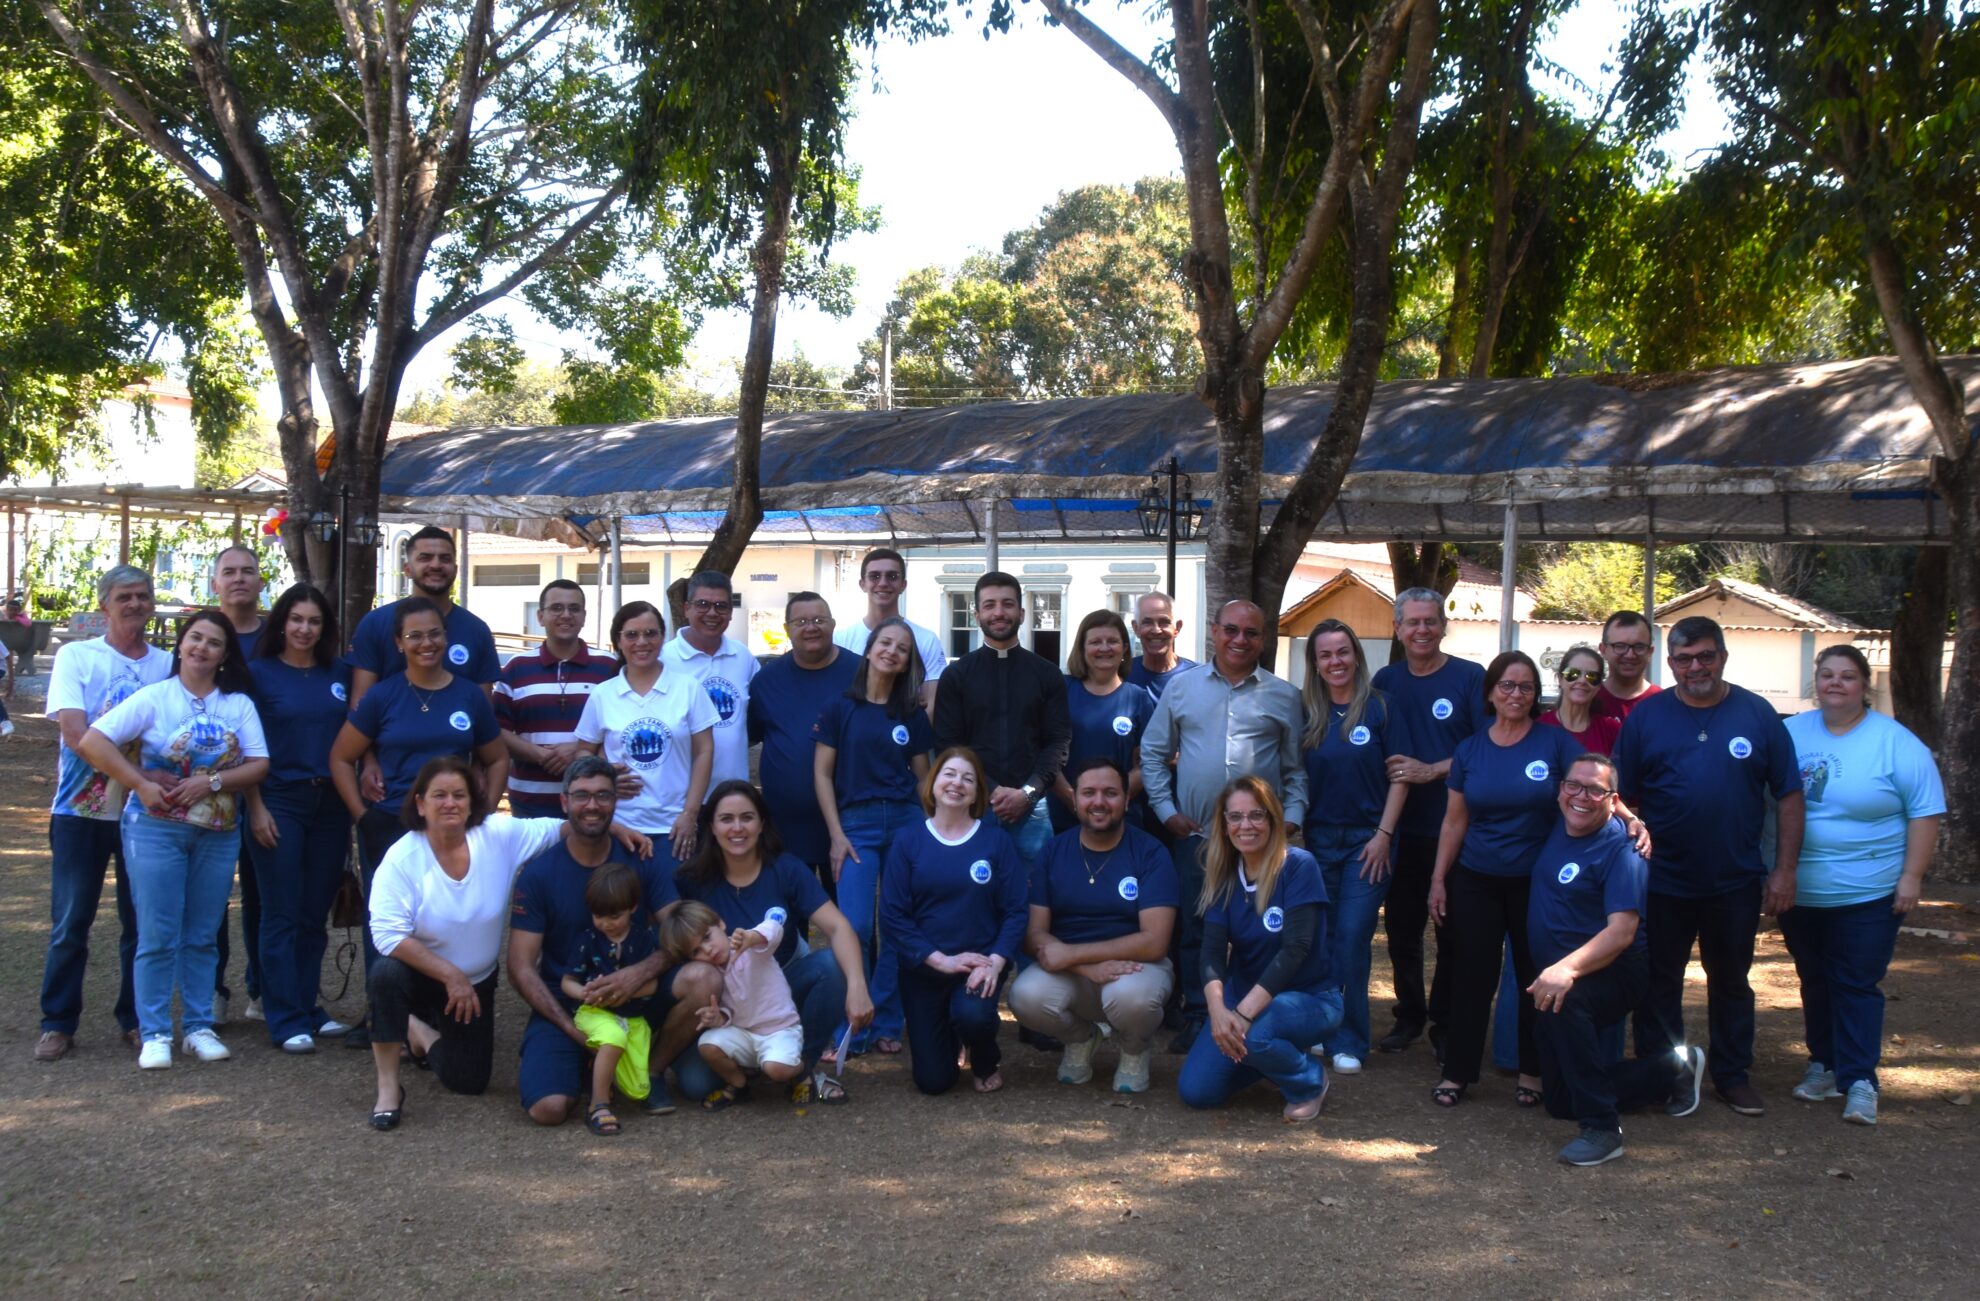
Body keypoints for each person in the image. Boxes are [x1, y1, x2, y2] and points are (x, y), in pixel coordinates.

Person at [364, 756, 645, 1129]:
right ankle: (388, 1089)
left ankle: (418, 1030)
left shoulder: (497, 835)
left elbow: (561, 828)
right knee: (384, 975)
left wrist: (617, 828)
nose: (450, 803)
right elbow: (386, 934)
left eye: (459, 795)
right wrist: (449, 975)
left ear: (472, 802)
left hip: (475, 983)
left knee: (468, 1082)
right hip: (421, 975)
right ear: (420, 803)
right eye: (439, 795)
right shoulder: (401, 858)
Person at [1616, 615, 1803, 1117]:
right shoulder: (1647, 718)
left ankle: (1732, 1074)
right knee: (1659, 982)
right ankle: (1664, 1074)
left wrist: (1783, 871)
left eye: (1705, 656)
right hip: (1663, 879)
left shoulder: (1758, 714)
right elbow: (1620, 796)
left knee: (1732, 979)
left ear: (1722, 656)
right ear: (1670, 662)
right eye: (1684, 658)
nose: (1695, 666)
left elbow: (1788, 794)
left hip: (1735, 880)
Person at [76, 611, 269, 1069]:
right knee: (158, 934)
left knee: (202, 934)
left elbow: (259, 764)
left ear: (225, 655)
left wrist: (213, 783)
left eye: (214, 643)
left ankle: (198, 1027)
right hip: (155, 830)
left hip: (218, 835)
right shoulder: (153, 698)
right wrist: (139, 783)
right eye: (194, 639)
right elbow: (92, 742)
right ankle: (157, 1032)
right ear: (180, 646)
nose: (202, 648)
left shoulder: (237, 705)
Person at [1776, 645, 1944, 1126]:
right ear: (1816, 682)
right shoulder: (1791, 732)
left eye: (1847, 676)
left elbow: (1925, 812)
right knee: (1815, 979)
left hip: (1868, 893)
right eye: (1826, 675)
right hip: (1801, 891)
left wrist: (1911, 878)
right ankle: (1823, 1064)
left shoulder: (1896, 743)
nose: (1835, 684)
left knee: (1855, 982)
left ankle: (1860, 1080)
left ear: (1864, 685)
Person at [330, 597, 507, 1046]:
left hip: (453, 827)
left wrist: (484, 805)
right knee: (388, 925)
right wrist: (362, 816)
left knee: (444, 920)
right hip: (393, 825)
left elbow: (497, 756)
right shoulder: (383, 696)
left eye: (434, 634)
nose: (426, 643)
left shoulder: (468, 694)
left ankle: (435, 1011)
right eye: (415, 636)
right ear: (399, 642)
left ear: (446, 639)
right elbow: (340, 756)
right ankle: (385, 1016)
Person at [508, 756, 711, 1127]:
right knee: (547, 1108)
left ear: (616, 801)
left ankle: (651, 1070)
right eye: (582, 795)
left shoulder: (642, 858)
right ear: (564, 802)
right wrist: (574, 1031)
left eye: (603, 795)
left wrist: (640, 972)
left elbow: (682, 931)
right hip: (570, 1002)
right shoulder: (539, 874)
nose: (592, 805)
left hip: (639, 999)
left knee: (704, 978)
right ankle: (587, 1062)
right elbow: (520, 966)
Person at [1140, 599, 1306, 1051]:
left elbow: (1294, 771)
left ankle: (1256, 1012)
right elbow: (1153, 754)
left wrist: (1289, 822)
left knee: (1262, 931)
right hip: (1196, 837)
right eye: (1230, 629)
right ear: (1213, 631)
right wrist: (1164, 810)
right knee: (1197, 930)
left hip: (1260, 843)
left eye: (1251, 633)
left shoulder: (1284, 696)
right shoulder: (1181, 688)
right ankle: (1198, 1013)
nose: (1239, 640)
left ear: (1264, 639)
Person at [1425, 651, 1586, 1108]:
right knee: (1471, 975)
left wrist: (1629, 817)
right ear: (1492, 692)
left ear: (1536, 695)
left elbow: (1594, 782)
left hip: (1536, 883)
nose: (1516, 694)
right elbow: (1454, 822)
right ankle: (1457, 1072)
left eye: (1526, 686)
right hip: (1476, 879)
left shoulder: (1554, 743)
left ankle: (1532, 1072)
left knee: (1535, 977)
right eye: (1508, 685)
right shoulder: (1470, 749)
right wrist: (1439, 879)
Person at [1528, 753, 1704, 1166]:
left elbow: (1621, 933)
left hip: (1616, 970)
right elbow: (1590, 795)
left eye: (1595, 791)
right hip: (1563, 970)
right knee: (1558, 1101)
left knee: (1565, 1000)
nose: (1581, 797)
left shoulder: (1623, 850)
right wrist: (1631, 813)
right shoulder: (1563, 820)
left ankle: (1603, 1130)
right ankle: (1673, 1069)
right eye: (1574, 786)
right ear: (1560, 789)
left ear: (1612, 799)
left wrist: (1565, 970)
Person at [34, 566, 171, 1062]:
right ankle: (58, 1022)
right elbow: (75, 732)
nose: (135, 604)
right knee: (71, 921)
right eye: (124, 597)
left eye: (143, 596)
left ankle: (136, 1019)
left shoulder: (168, 664)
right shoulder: (77, 656)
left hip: (145, 816)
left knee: (142, 924)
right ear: (105, 605)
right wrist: (136, 771)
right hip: (80, 810)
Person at [675, 780, 873, 1103]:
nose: (737, 828)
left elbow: (838, 928)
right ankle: (751, 1068)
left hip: (781, 992)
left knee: (831, 965)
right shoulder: (693, 879)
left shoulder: (786, 869)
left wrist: (858, 985)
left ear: (762, 823)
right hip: (728, 1004)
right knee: (695, 1083)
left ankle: (801, 1068)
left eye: (747, 817)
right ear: (711, 826)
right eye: (726, 819)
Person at [1176, 777, 1341, 1123]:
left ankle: (1309, 1081)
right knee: (1197, 1092)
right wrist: (1219, 1011)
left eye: (1256, 815)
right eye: (1235, 817)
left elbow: (1295, 949)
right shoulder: (1223, 874)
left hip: (1309, 998)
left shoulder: (1298, 865)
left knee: (1257, 1036)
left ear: (1273, 819)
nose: (1245, 825)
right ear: (1224, 825)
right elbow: (1211, 953)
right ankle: (1273, 1062)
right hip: (1243, 998)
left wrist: (1243, 1015)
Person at [1010, 757, 1177, 1093]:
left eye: (1110, 793)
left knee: (1131, 999)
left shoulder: (1150, 853)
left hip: (1137, 970)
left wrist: (1072, 953)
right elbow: (1034, 933)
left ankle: (1134, 1049)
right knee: (1024, 996)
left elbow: (1155, 941)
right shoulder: (1054, 851)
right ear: (1074, 800)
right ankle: (1082, 1039)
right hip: (1074, 974)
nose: (1098, 802)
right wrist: (1087, 966)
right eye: (1088, 793)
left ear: (1127, 800)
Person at [1371, 587, 1490, 1057]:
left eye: (1430, 621)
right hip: (1401, 831)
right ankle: (1409, 1016)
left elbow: (1486, 746)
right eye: (1412, 622)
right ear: (1398, 629)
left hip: (1455, 829)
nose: (1422, 630)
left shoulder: (1470, 678)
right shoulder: (1385, 680)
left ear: (1443, 626)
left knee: (1451, 933)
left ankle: (1445, 1022)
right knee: (1402, 930)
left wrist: (1432, 770)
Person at [243, 583, 357, 1053]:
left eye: (314, 621)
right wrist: (255, 807)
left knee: (314, 914)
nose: (304, 629)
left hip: (330, 804)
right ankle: (284, 1015)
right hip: (278, 801)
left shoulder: (341, 673)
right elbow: (242, 746)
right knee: (281, 913)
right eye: (296, 620)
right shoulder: (257, 673)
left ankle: (310, 1007)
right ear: (280, 623)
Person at [813, 619, 932, 1055]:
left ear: (907, 662)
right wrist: (835, 835)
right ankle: (853, 1025)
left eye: (902, 649)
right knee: (857, 926)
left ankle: (886, 1021)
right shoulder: (840, 708)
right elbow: (822, 775)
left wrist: (930, 836)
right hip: (856, 826)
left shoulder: (911, 715)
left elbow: (924, 780)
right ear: (868, 650)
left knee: (897, 927)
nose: (892, 652)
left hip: (905, 823)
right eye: (885, 643)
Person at [880, 747, 1028, 1096]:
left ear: (977, 792)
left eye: (968, 778)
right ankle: (950, 1038)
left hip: (978, 967)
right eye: (949, 774)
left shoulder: (996, 842)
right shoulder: (908, 841)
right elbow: (892, 915)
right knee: (934, 1082)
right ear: (933, 783)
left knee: (973, 1016)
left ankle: (985, 1057)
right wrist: (940, 960)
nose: (956, 783)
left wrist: (995, 962)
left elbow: (1016, 910)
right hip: (924, 970)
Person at [1298, 619, 1408, 1075]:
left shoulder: (1383, 707)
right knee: (1320, 940)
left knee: (1352, 937)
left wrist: (1383, 835)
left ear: (1357, 656)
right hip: (1318, 840)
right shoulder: (1306, 712)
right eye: (1325, 655)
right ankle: (1323, 1029)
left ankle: (1352, 1039)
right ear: (1316, 664)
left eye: (1343, 652)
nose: (1335, 661)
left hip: (1369, 841)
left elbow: (1400, 777)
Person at [931, 571, 1070, 875]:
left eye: (1007, 604)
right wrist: (993, 792)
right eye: (990, 605)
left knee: (1035, 901)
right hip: (973, 806)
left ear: (1021, 613)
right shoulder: (957, 676)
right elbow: (949, 745)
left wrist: (1027, 793)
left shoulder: (1046, 675)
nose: (998, 613)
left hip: (1033, 807)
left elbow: (1058, 742)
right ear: (977, 613)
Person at [574, 601, 717, 871]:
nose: (642, 642)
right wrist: (603, 772)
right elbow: (583, 752)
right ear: (618, 641)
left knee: (673, 910)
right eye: (631, 635)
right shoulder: (602, 694)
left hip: (674, 828)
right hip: (618, 826)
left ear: (663, 637)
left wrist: (690, 814)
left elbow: (704, 752)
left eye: (651, 633)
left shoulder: (688, 688)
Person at [745, 593, 860, 892]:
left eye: (819, 620)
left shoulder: (862, 673)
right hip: (786, 827)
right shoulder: (766, 681)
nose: (811, 627)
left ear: (833, 624)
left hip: (849, 823)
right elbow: (752, 735)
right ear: (787, 629)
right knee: (789, 919)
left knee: (850, 922)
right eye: (801, 621)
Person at [663, 902, 806, 1109]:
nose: (708, 949)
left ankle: (801, 1070)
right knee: (708, 1045)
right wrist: (717, 1018)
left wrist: (752, 937)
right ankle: (739, 1084)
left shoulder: (750, 946)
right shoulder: (711, 974)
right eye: (696, 951)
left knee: (776, 1070)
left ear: (720, 923)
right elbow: (729, 1012)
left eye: (707, 937)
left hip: (780, 1030)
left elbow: (775, 922)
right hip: (745, 1034)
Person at [496, 579, 617, 818]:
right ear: (540, 616)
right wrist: (540, 755)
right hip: (530, 802)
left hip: (594, 804)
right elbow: (497, 730)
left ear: (584, 616)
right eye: (556, 608)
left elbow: (623, 727)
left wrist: (580, 749)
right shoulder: (516, 668)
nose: (566, 615)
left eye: (574, 608)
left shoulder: (609, 667)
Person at [347, 525, 500, 708]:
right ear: (407, 569)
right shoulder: (375, 624)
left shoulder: (477, 630)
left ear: (455, 569)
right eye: (425, 558)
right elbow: (360, 706)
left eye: (445, 559)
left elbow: (484, 713)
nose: (436, 565)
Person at [209, 545, 267, 1024]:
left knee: (260, 892)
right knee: (209, 893)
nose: (239, 579)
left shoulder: (276, 638)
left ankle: (262, 988)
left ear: (261, 581)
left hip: (263, 784)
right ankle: (213, 988)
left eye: (248, 570)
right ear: (215, 584)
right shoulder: (203, 636)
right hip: (211, 788)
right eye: (229, 572)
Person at [560, 863, 661, 1135]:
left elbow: (652, 984)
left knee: (637, 1089)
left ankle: (600, 1067)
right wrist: (585, 993)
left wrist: (623, 992)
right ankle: (598, 1104)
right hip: (593, 1012)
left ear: (633, 907)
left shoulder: (642, 940)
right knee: (613, 1038)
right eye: (598, 916)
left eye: (614, 916)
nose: (606, 924)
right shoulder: (588, 940)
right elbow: (567, 981)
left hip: (632, 1016)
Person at [1051, 609, 1156, 835]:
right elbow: (1044, 751)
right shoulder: (1061, 690)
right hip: (1065, 819)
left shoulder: (1138, 699)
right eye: (1095, 642)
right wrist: (1073, 799)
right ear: (1082, 648)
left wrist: (1112, 798)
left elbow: (1148, 763)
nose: (1104, 648)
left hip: (1123, 822)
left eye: (1113, 641)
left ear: (1125, 648)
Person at [661, 570, 758, 787]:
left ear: (731, 612)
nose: (712, 613)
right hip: (678, 798)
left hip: (731, 795)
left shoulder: (743, 657)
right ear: (687, 609)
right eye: (703, 604)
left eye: (721, 606)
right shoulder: (664, 660)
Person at [833, 547, 945, 710]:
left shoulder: (927, 640)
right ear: (862, 584)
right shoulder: (840, 640)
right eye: (874, 576)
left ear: (903, 585)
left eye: (892, 576)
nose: (883, 583)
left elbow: (931, 705)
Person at [1127, 590, 1195, 700]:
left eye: (1164, 622)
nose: (1156, 630)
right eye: (1147, 622)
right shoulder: (1121, 675)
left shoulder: (1196, 677)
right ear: (1136, 628)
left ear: (1177, 628)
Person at [1595, 611, 1661, 722]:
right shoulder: (1587, 702)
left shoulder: (1664, 704)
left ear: (1650, 652)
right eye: (1620, 646)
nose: (1630, 655)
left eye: (1639, 646)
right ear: (1603, 650)